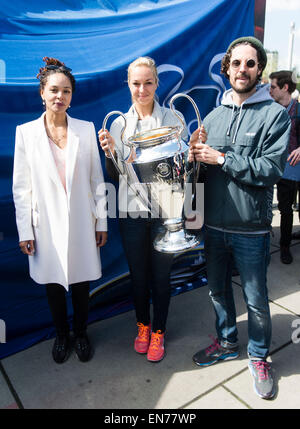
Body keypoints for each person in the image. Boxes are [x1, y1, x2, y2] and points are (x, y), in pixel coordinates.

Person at [188, 37, 290, 399]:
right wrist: (194, 157)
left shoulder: (274, 114)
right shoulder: (212, 116)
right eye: (236, 63)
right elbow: (199, 175)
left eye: (250, 63)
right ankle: (227, 342)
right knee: (217, 293)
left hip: (251, 229)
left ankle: (259, 355)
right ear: (226, 68)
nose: (242, 70)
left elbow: (269, 169)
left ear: (258, 68)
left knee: (256, 299)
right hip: (213, 227)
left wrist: (222, 158)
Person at [99, 56, 205, 362]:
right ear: (128, 85)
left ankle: (159, 331)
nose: (142, 89)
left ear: (157, 83)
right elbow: (115, 176)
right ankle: (142, 327)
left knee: (161, 276)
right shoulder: (119, 125)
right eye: (136, 83)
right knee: (138, 276)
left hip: (166, 212)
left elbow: (185, 172)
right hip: (132, 212)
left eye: (148, 82)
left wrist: (194, 149)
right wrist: (109, 153)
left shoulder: (174, 119)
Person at [13, 57, 107, 364]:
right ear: (42, 92)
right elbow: (21, 187)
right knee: (53, 285)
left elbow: (97, 179)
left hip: (82, 222)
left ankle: (81, 333)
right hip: (46, 227)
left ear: (72, 96)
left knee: (81, 284)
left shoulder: (85, 129)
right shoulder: (26, 133)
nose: (59, 97)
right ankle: (61, 335)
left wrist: (101, 221)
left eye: (66, 91)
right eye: (54, 90)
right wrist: (25, 230)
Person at [269, 70, 300, 258]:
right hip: (282, 168)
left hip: (298, 167)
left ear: (285, 87)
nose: (270, 90)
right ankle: (285, 246)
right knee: (285, 208)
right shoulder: (272, 110)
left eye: (273, 86)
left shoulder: (299, 110)